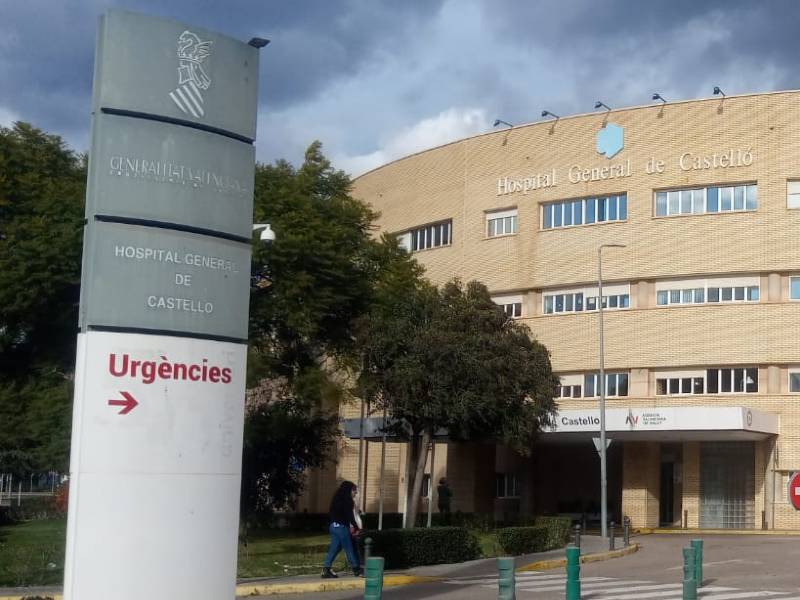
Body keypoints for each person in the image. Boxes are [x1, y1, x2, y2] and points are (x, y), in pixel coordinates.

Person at [322, 481, 362, 578]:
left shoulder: (336, 499)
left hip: (333, 527)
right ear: (348, 490)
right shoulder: (348, 501)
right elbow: (350, 516)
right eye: (354, 490)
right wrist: (356, 527)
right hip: (341, 528)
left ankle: (326, 569)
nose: (355, 493)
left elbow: (332, 514)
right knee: (349, 548)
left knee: (335, 548)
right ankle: (357, 570)